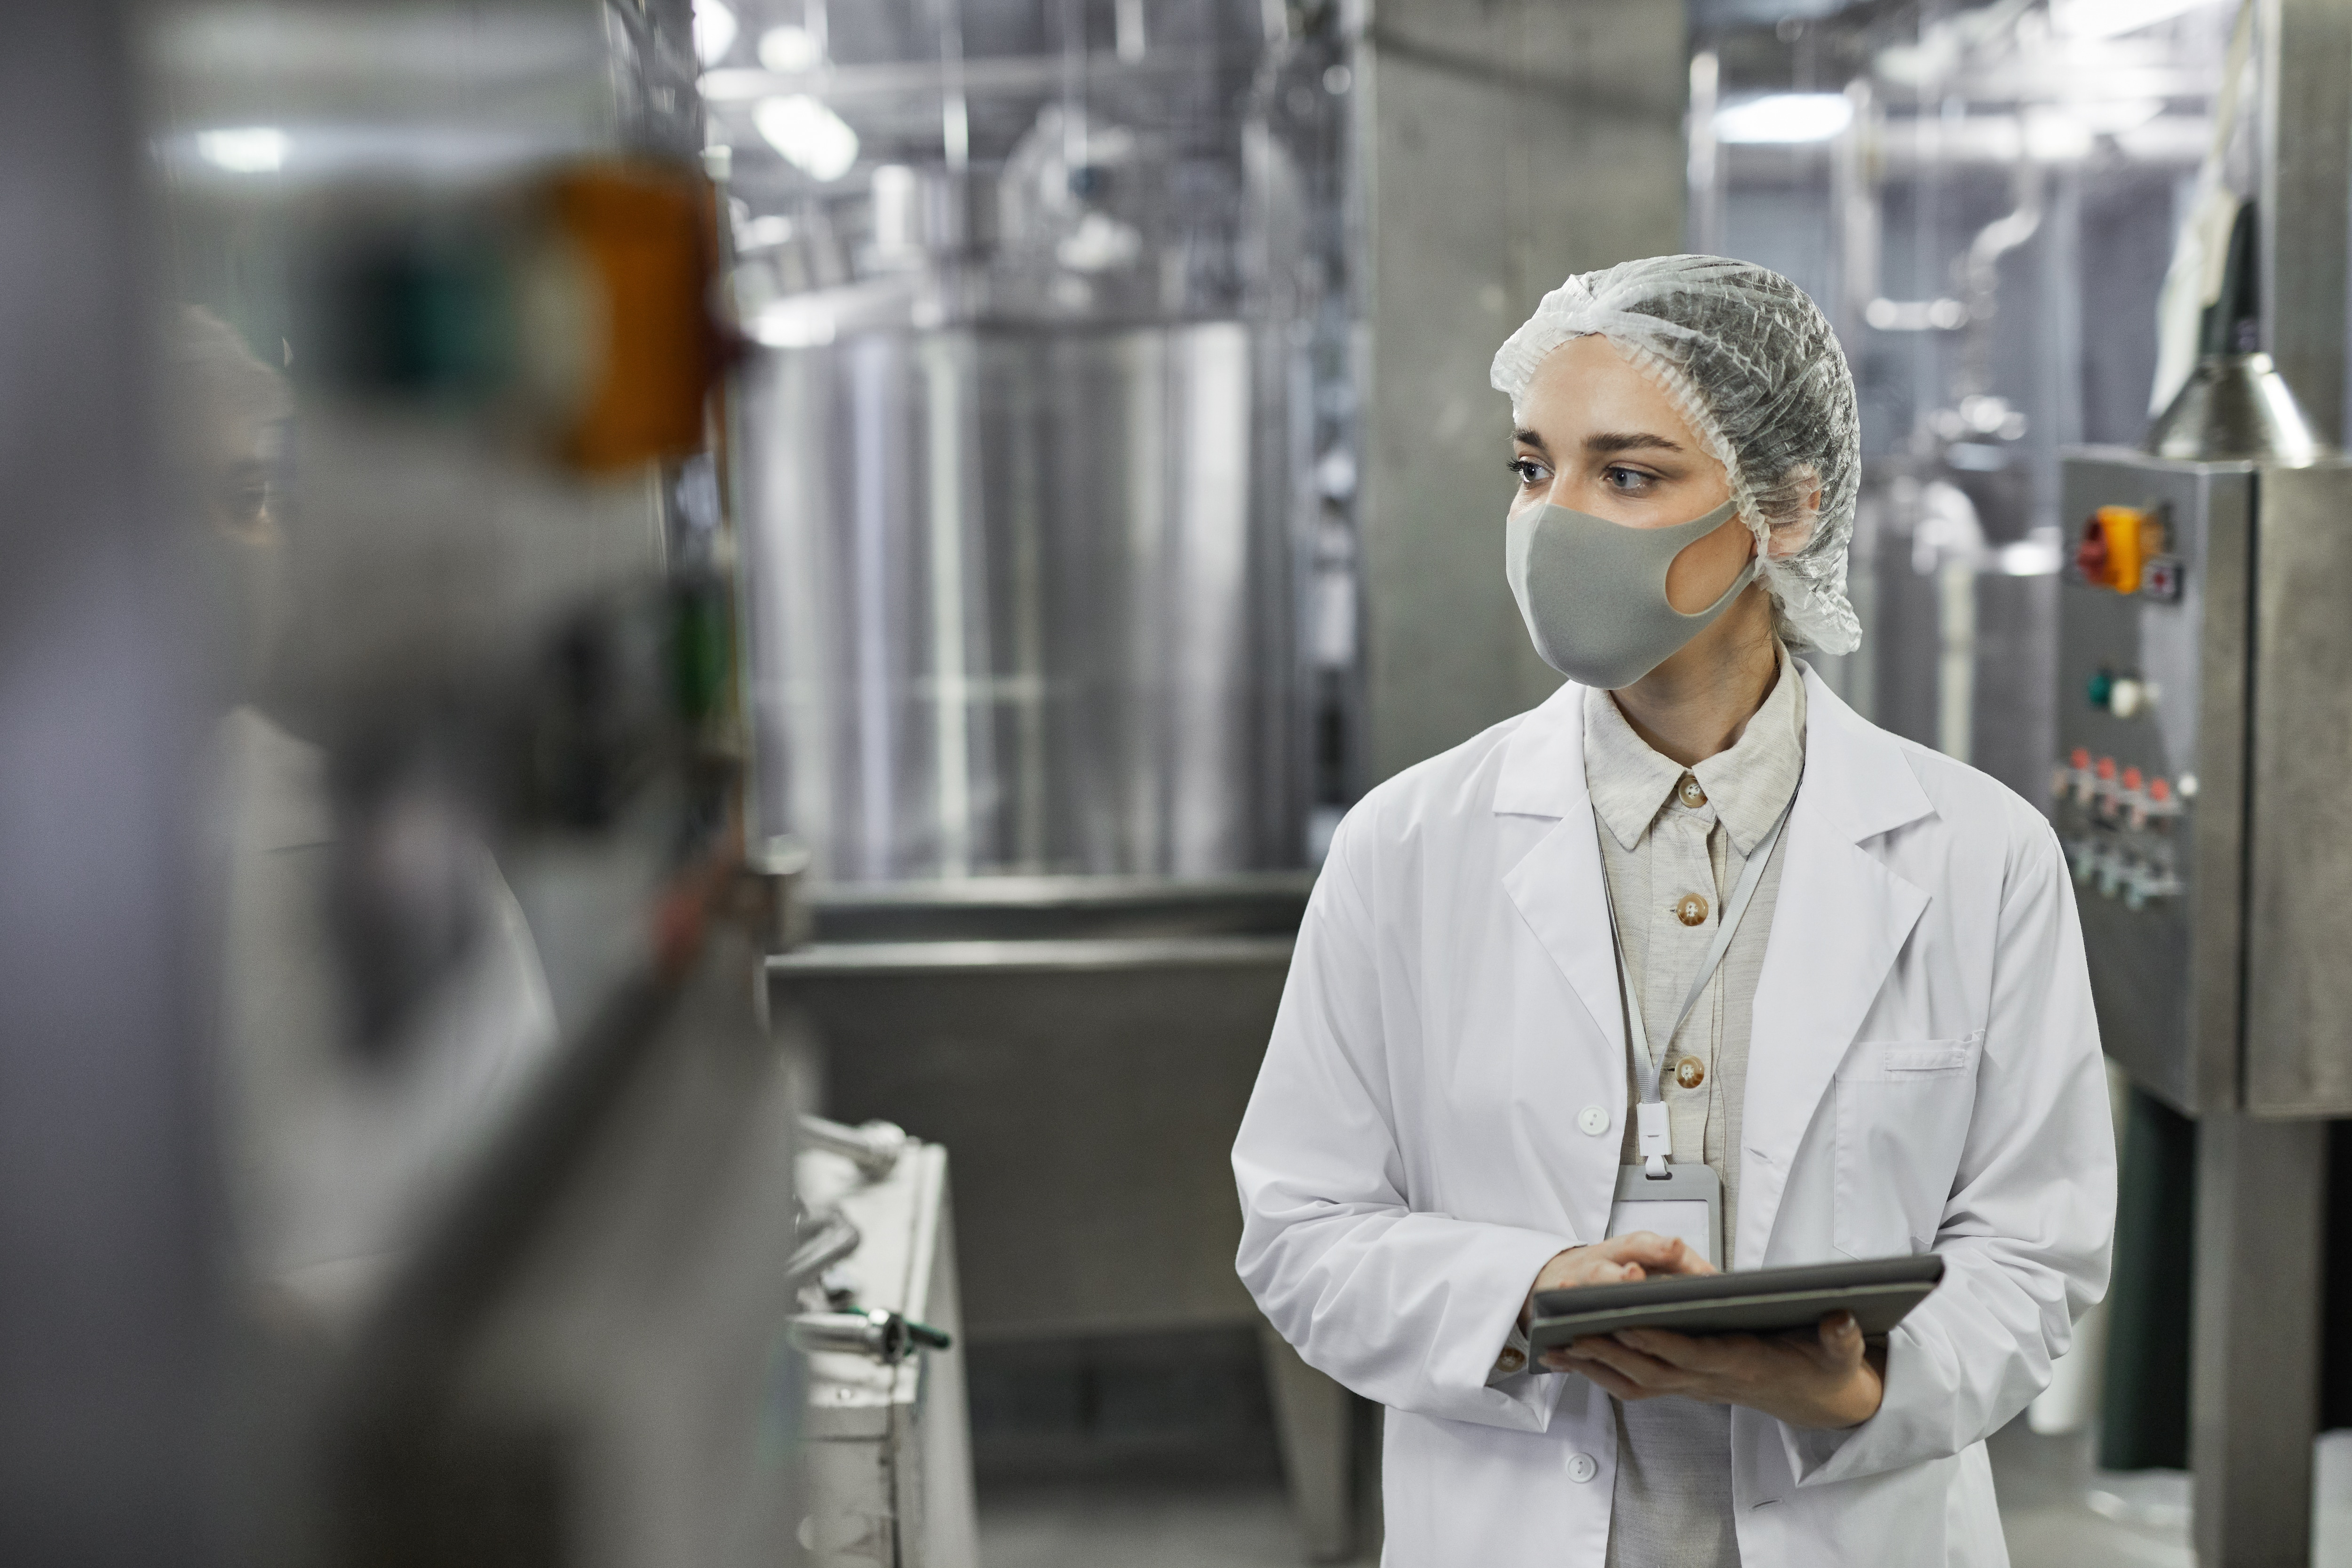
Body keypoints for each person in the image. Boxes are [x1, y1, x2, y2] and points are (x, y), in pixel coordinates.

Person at [1232, 256, 2114, 1566]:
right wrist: (1519, 1296)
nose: (1555, 518)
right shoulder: (1409, 846)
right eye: (1535, 468)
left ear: (1788, 508)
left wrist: (1858, 1390)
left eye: (1628, 475)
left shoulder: (1978, 854)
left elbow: (2035, 1255)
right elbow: (1301, 1228)